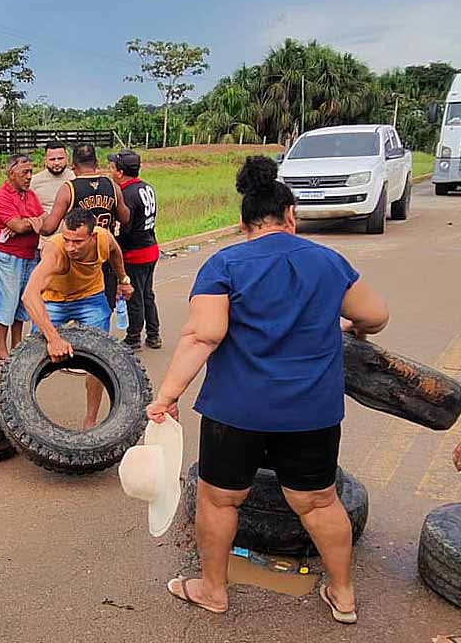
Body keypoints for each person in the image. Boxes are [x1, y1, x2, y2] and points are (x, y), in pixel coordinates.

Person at [146, 156, 389, 623]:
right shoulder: (328, 262)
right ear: (290, 215)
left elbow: (203, 336)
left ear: (243, 223)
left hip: (236, 410)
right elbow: (375, 315)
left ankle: (213, 590)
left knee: (219, 499)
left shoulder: (224, 264)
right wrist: (349, 324)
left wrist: (167, 397)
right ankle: (343, 596)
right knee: (319, 501)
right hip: (312, 411)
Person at [22, 207, 134, 427]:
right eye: (67, 239)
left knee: (99, 359)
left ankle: (90, 421)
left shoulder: (103, 239)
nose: (70, 247)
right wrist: (54, 339)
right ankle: (21, 417)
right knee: (29, 359)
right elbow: (29, 295)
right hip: (54, 301)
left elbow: (115, 252)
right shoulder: (55, 250)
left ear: (92, 236)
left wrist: (123, 280)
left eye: (77, 242)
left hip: (90, 298)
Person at [39, 144, 131, 310]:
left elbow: (49, 228)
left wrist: (36, 221)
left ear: (73, 165)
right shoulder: (112, 186)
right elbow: (125, 217)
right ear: (96, 162)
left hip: (79, 261)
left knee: (75, 308)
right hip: (104, 254)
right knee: (102, 310)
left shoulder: (69, 189)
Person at [0, 154, 44, 365]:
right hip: (8, 256)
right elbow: (18, 226)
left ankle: (17, 345)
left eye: (31, 172)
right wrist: (31, 223)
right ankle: (1, 349)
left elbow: (44, 218)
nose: (29, 176)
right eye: (25, 172)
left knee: (23, 301)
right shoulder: (1, 196)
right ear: (11, 173)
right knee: (7, 301)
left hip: (29, 254)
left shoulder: (30, 195)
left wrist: (26, 222)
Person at [111, 149, 162, 350]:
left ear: (121, 172)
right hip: (151, 247)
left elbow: (126, 227)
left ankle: (133, 337)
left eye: (113, 168)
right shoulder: (146, 187)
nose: (111, 172)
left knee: (134, 296)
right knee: (147, 293)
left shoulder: (126, 194)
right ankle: (153, 334)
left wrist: (114, 245)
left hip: (136, 253)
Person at [29, 141, 77, 245]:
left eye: (60, 158)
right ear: (45, 160)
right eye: (52, 159)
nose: (56, 163)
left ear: (67, 158)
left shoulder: (75, 178)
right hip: (44, 243)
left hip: (71, 242)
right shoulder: (34, 182)